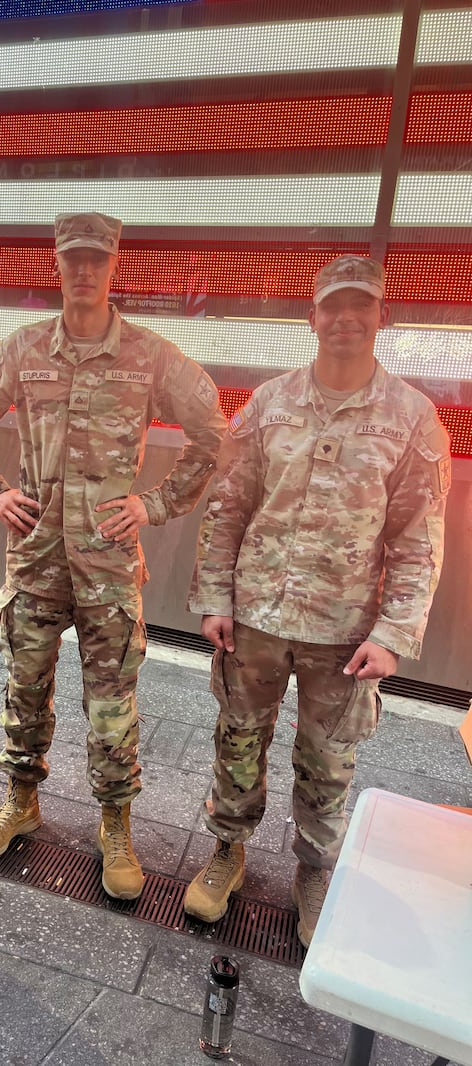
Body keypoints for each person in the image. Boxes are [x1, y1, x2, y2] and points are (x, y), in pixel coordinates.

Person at [0, 212, 227, 900]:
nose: (84, 271)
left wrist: (153, 504)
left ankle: (115, 826)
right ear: (57, 265)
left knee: (112, 704)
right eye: (72, 259)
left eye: (96, 259)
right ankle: (21, 802)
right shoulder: (21, 349)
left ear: (113, 265)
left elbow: (211, 429)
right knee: (25, 692)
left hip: (106, 561)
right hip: (37, 557)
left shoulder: (149, 355)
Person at [185, 255, 451, 946]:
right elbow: (229, 504)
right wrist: (215, 595)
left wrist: (394, 631)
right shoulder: (271, 402)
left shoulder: (413, 419)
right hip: (256, 620)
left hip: (345, 630)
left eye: (360, 306)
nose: (345, 319)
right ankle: (227, 851)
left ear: (381, 318)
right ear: (312, 318)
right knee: (238, 742)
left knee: (328, 761)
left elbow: (418, 537)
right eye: (332, 306)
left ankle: (314, 868)